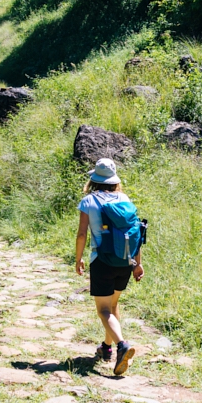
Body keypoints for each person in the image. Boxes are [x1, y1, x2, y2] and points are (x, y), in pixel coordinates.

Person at [76, 158, 144, 375]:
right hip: (124, 261)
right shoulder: (124, 198)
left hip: (102, 260)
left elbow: (82, 234)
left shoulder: (88, 201)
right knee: (113, 307)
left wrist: (78, 259)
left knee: (103, 310)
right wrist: (137, 264)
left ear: (94, 179)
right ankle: (106, 349)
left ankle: (121, 345)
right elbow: (134, 234)